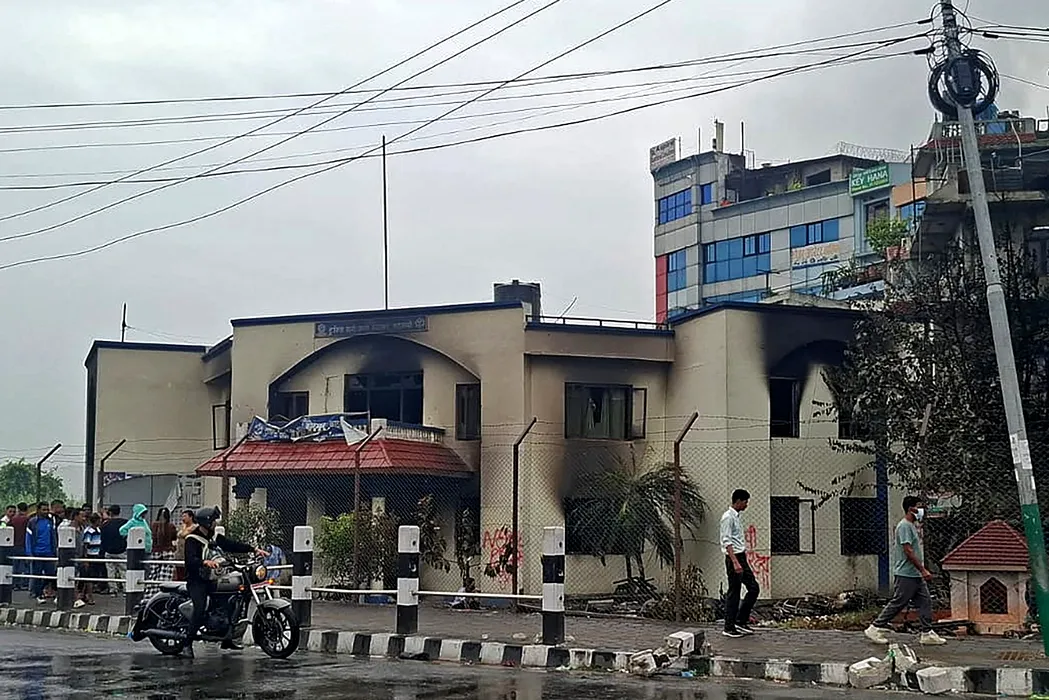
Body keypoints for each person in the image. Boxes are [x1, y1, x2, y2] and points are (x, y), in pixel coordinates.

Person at [182, 506, 268, 658]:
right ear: (206, 523)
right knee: (200, 608)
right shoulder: (192, 539)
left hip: (215, 578)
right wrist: (204, 562)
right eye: (213, 521)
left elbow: (231, 544)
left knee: (230, 602)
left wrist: (253, 550)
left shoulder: (213, 537)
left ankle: (227, 639)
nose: (215, 523)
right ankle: (187, 643)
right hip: (198, 580)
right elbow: (190, 560)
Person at [865, 496, 947, 646]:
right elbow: (908, 551)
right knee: (899, 601)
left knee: (925, 601)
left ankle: (927, 632)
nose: (922, 510)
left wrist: (920, 571)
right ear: (911, 509)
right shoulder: (904, 526)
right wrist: (923, 570)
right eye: (919, 506)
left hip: (914, 574)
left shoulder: (911, 526)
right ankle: (875, 627)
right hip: (906, 573)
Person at [720, 489, 759, 638]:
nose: (746, 505)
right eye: (745, 502)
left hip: (740, 556)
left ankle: (740, 621)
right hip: (734, 557)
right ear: (738, 501)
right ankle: (729, 627)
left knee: (753, 588)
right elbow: (727, 541)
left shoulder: (736, 517)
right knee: (734, 592)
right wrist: (735, 562)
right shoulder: (728, 517)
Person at [25, 501, 57, 604]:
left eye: (47, 509)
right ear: (38, 510)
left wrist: (55, 550)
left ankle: (45, 591)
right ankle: (39, 595)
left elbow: (53, 537)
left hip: (49, 553)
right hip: (37, 553)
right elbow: (28, 539)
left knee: (51, 575)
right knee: (37, 575)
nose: (46, 512)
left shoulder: (50, 521)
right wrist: (29, 553)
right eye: (44, 510)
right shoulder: (32, 522)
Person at [149, 507, 178, 591]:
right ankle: (164, 590)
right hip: (168, 551)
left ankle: (152, 591)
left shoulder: (153, 525)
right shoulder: (171, 526)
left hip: (155, 551)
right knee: (166, 573)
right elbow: (174, 538)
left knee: (154, 573)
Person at [100, 505, 128, 594]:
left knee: (110, 571)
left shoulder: (105, 524)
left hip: (109, 551)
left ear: (110, 512)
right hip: (121, 550)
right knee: (123, 571)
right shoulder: (125, 523)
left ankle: (113, 589)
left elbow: (102, 539)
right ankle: (125, 589)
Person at [78, 512, 103, 608]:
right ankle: (89, 595)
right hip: (90, 555)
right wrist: (85, 559)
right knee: (89, 577)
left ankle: (84, 594)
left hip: (96, 555)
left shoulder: (98, 530)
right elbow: (85, 545)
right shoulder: (89, 531)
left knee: (92, 576)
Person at [10, 504, 29, 591]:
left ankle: (15, 584)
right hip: (25, 545)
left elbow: (3, 527)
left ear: (18, 509)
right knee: (25, 565)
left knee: (15, 565)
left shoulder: (13, 520)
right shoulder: (28, 520)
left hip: (14, 545)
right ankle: (24, 584)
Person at [173, 509, 195, 582]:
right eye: (182, 516)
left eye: (185, 516)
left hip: (188, 553)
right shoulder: (181, 527)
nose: (183, 518)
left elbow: (183, 534)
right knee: (179, 574)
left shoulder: (194, 527)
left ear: (191, 517)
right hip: (179, 553)